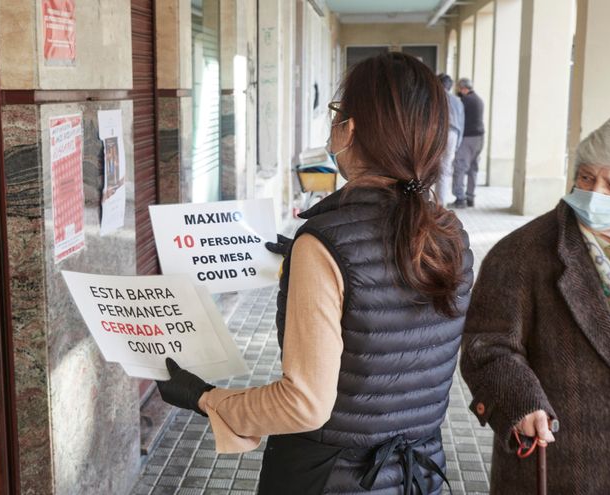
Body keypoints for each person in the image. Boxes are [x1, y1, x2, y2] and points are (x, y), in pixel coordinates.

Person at [156, 53, 474, 494]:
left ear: (352, 129)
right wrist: (309, 264)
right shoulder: (450, 233)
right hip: (416, 476)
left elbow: (304, 404)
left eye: (336, 114)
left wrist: (206, 398)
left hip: (332, 479)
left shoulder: (326, 243)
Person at [460, 115, 610, 493]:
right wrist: (520, 401)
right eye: (586, 177)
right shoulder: (521, 253)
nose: (594, 192)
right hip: (559, 463)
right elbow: (486, 345)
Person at [450, 78, 484, 209]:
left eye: (459, 88)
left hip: (468, 138)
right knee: (473, 169)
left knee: (460, 167)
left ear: (464, 88)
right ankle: (470, 197)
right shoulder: (479, 100)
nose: (458, 91)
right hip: (479, 139)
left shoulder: (465, 101)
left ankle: (460, 198)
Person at [437, 74, 465, 205]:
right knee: (445, 169)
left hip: (437, 132)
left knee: (431, 166)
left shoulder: (434, 97)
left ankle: (428, 200)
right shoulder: (457, 101)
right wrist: (458, 142)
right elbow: (461, 122)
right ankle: (441, 203)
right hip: (453, 134)